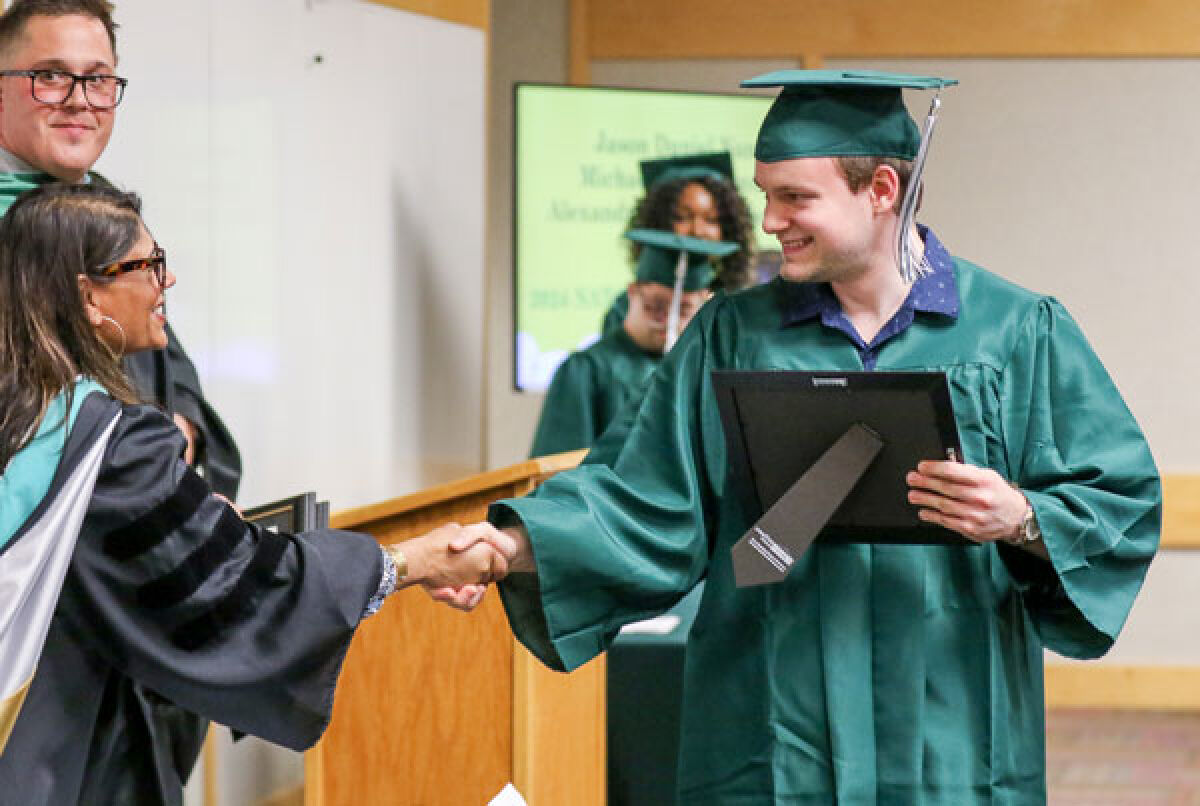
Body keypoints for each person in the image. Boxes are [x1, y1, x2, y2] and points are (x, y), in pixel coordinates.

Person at [443, 70, 1162, 803]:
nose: (768, 221)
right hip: (772, 726)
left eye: (794, 197)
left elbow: (1119, 499)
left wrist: (1022, 516)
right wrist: (514, 545)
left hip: (952, 723)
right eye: (765, 194)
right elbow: (639, 495)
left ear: (881, 189)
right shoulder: (732, 335)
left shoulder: (1013, 333)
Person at [0, 183, 510, 805]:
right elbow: (236, 587)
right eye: (148, 264)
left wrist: (192, 520)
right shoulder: (110, 445)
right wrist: (415, 560)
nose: (167, 281)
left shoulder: (24, 416)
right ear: (88, 295)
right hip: (54, 754)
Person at [0, 0, 241, 499]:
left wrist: (181, 430)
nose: (79, 100)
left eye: (98, 79)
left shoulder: (108, 208)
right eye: (50, 76)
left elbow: (165, 359)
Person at [529, 229, 736, 457]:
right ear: (632, 293)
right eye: (656, 305)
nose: (669, 320)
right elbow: (558, 466)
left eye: (683, 309)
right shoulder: (585, 371)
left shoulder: (702, 371)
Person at [600, 151, 756, 336]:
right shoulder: (630, 308)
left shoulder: (746, 306)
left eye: (711, 220)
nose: (697, 231)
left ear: (728, 229)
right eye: (682, 217)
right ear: (658, 224)